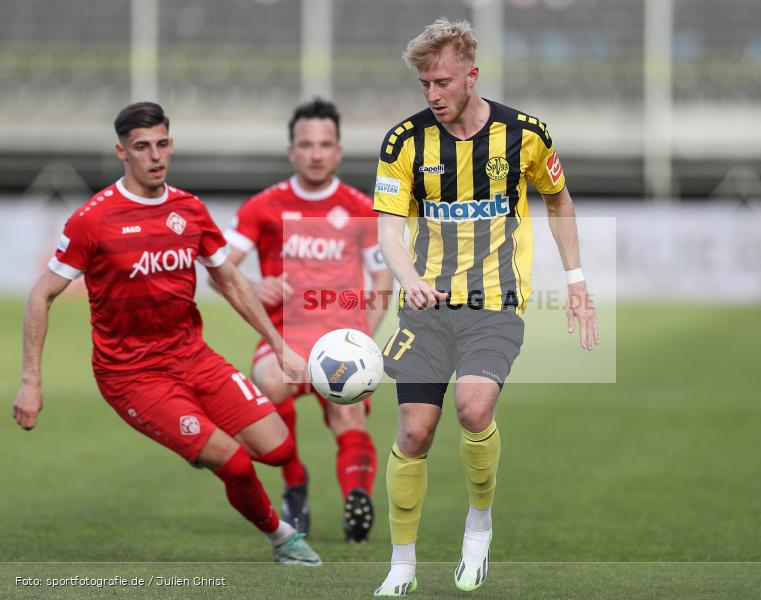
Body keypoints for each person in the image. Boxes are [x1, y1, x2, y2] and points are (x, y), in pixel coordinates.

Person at [11, 102, 321, 566]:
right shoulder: (93, 220)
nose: (154, 156)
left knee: (278, 449)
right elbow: (41, 295)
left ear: (170, 145)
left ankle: (214, 444)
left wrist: (280, 347)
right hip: (132, 374)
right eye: (141, 147)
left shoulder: (189, 210)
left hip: (193, 355)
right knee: (233, 462)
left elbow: (231, 280)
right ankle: (282, 537)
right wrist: (31, 381)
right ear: (122, 152)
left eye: (161, 144)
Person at [372, 19, 599, 595]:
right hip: (427, 304)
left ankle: (479, 523)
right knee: (416, 432)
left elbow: (558, 200)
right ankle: (402, 565)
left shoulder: (525, 134)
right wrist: (410, 279)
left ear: (471, 75)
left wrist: (575, 280)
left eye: (442, 82)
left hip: (496, 302)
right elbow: (390, 232)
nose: (432, 95)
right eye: (424, 84)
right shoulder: (404, 142)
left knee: (474, 411)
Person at [220, 98, 393, 542]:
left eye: (325, 144)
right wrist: (255, 285)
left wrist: (363, 343)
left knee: (348, 415)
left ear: (338, 151)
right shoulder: (263, 207)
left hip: (342, 338)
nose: (316, 153)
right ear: (291, 150)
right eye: (306, 144)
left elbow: (381, 280)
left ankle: (357, 502)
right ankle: (295, 485)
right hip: (283, 336)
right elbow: (221, 269)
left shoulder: (361, 208)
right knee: (270, 383)